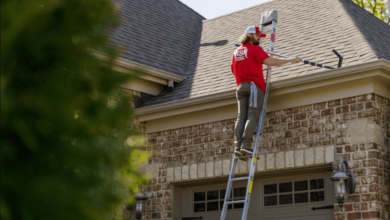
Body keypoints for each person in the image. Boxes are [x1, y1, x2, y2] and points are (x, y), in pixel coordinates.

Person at [231, 25, 302, 160]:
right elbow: (270, 61)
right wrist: (290, 60)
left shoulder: (236, 53)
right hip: (254, 87)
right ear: (250, 35)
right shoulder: (255, 49)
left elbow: (233, 70)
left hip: (241, 87)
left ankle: (237, 147)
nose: (259, 38)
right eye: (258, 35)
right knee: (252, 116)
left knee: (241, 117)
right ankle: (246, 146)